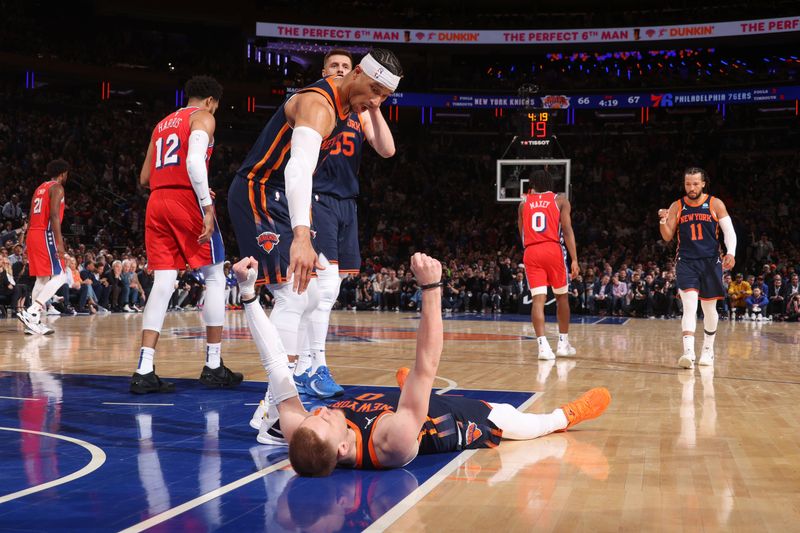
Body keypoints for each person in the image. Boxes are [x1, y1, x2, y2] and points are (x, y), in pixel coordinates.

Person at [233, 253, 610, 476]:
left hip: (404, 410)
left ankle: (408, 391)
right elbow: (428, 363)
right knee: (518, 421)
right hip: (456, 421)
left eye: (315, 414)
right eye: (326, 419)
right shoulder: (390, 442)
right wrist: (432, 288)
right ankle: (567, 415)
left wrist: (249, 294)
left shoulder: (304, 433)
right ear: (344, 449)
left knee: (411, 391)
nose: (325, 410)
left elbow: (275, 363)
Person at [228, 49, 401, 435]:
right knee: (293, 294)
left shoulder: (352, 106)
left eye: (384, 97)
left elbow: (386, 149)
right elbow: (298, 168)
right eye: (373, 90)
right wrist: (302, 236)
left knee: (305, 293)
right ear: (356, 73)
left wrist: (372, 105)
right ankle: (274, 417)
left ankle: (274, 407)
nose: (375, 101)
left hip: (281, 197)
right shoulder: (319, 104)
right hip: (260, 192)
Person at [130, 75, 241, 394]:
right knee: (215, 276)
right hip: (185, 199)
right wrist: (206, 206)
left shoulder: (161, 124)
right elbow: (194, 161)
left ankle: (144, 369)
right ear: (210, 101)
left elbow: (144, 176)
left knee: (164, 282)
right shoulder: (202, 117)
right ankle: (213, 364)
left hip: (157, 200)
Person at [658, 167, 736, 369]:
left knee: (709, 308)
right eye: (687, 184)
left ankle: (708, 350)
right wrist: (663, 220)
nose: (691, 188)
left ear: (703, 184)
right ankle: (688, 352)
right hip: (686, 261)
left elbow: (729, 232)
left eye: (695, 184)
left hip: (711, 262)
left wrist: (731, 253)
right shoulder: (678, 205)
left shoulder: (715, 203)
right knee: (690, 305)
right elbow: (667, 236)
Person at [518, 170, 580, 360]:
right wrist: (574, 259)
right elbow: (567, 231)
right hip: (552, 249)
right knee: (562, 297)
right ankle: (563, 343)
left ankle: (543, 347)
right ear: (550, 184)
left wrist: (530, 249)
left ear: (532, 184)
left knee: (538, 300)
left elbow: (522, 234)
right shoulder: (560, 200)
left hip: (531, 250)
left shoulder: (523, 204)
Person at [17, 159, 71, 335]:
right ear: (63, 173)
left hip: (33, 232)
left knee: (42, 279)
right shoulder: (57, 188)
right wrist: (59, 244)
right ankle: (33, 310)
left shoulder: (40, 188)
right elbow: (54, 215)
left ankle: (33, 324)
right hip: (45, 233)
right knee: (61, 275)